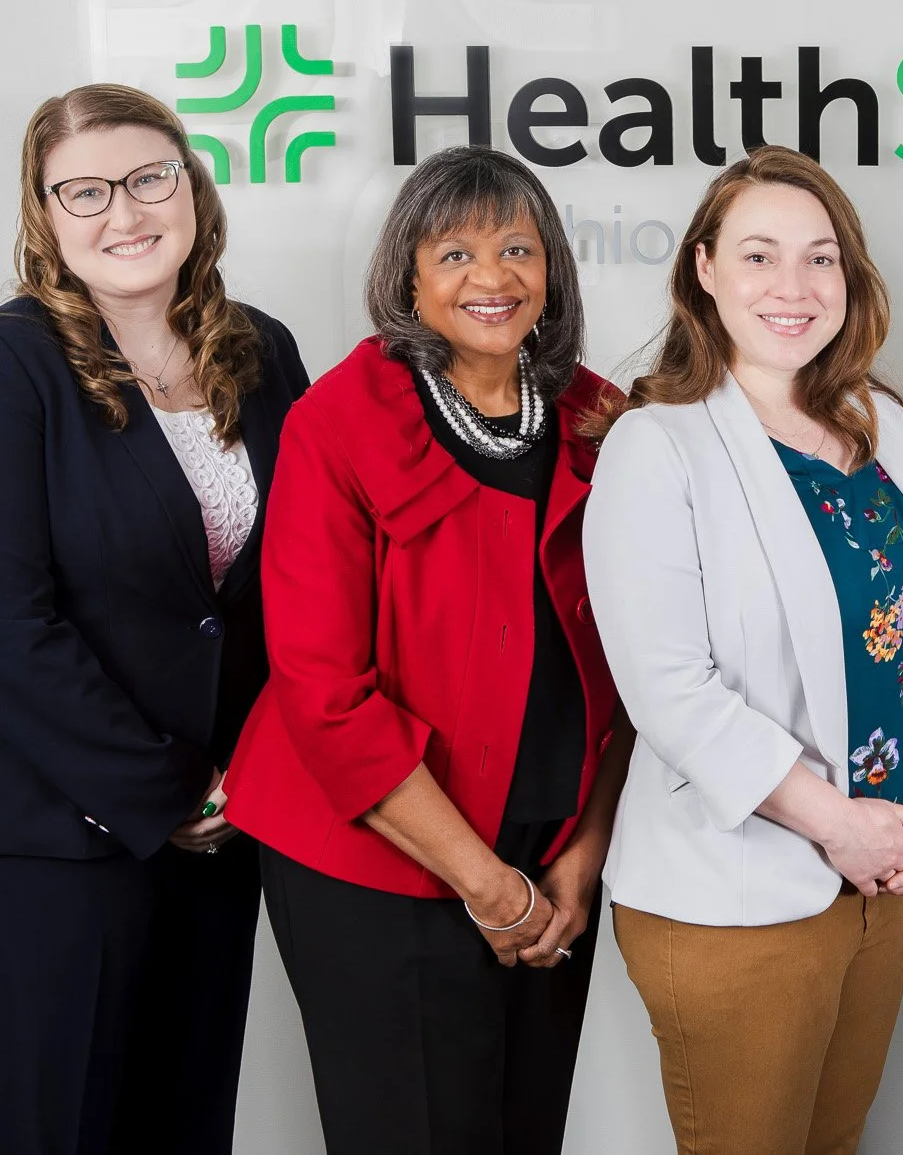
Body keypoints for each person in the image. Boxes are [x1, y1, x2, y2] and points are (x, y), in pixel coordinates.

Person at [0, 83, 309, 1154]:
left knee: (185, 1132)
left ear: (190, 187)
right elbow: (7, 624)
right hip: (44, 838)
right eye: (83, 192)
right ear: (44, 215)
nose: (123, 214)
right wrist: (166, 789)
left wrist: (244, 779)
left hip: (218, 830)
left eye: (147, 179)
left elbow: (298, 585)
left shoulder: (261, 353)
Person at [223, 145, 632, 1155]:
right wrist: (486, 887)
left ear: (552, 271)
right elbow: (322, 690)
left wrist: (580, 858)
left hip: (551, 856)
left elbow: (632, 670)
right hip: (379, 863)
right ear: (407, 274)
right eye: (453, 253)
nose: (489, 279)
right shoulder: (338, 423)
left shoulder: (598, 418)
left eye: (516, 250)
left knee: (523, 1131)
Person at [584, 144, 903, 1155]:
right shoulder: (655, 445)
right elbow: (668, 692)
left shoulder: (875, 420)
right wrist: (833, 823)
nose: (792, 288)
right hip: (734, 897)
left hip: (880, 881)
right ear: (703, 270)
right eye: (758, 256)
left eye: (820, 258)